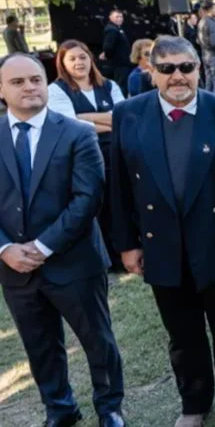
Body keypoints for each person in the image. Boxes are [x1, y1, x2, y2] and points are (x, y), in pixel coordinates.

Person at [110, 36, 215, 427]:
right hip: (162, 245)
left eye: (186, 67)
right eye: (166, 69)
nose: (177, 76)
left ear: (198, 69)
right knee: (183, 333)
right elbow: (120, 187)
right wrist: (127, 245)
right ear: (151, 72)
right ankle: (194, 402)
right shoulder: (128, 114)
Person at [0, 53, 125, 427]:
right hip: (15, 269)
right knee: (40, 346)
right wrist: (5, 249)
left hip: (75, 263)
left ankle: (109, 409)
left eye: (36, 80)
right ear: (2, 90)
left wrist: (40, 247)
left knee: (97, 342)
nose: (29, 88)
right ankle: (60, 408)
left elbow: (87, 199)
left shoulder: (77, 133)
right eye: (18, 82)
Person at [47, 40, 127, 272]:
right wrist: (106, 119)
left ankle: (123, 254)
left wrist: (84, 117)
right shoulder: (55, 91)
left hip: (116, 153)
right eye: (71, 59)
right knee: (95, 206)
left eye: (82, 57)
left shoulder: (109, 85)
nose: (78, 62)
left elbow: (122, 119)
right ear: (62, 64)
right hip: (82, 157)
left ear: (90, 59)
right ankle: (104, 258)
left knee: (118, 204)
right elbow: (69, 125)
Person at [100, 10, 132, 92]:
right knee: (122, 86)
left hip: (122, 63)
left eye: (121, 16)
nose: (120, 19)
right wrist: (108, 56)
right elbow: (108, 47)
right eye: (117, 16)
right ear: (110, 18)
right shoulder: (112, 30)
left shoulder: (117, 28)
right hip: (120, 64)